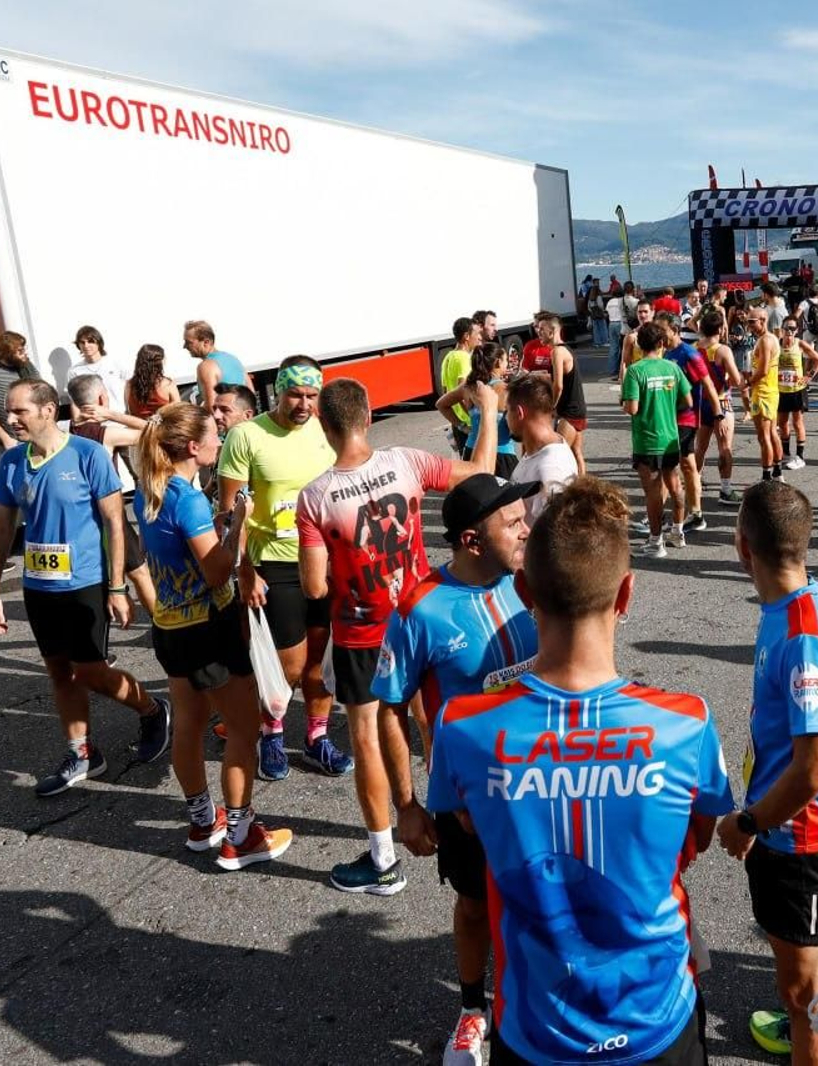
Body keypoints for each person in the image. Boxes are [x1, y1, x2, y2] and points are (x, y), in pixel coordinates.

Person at [426, 476, 733, 1065]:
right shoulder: (686, 724)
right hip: (656, 1025)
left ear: (523, 590)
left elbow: (468, 823)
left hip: (534, 1032)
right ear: (626, 595)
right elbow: (694, 837)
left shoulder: (461, 725)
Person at [373, 471, 539, 1066]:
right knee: (473, 905)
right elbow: (389, 710)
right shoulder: (420, 608)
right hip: (468, 801)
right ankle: (473, 1010)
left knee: (540, 900)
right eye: (513, 523)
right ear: (472, 541)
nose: (526, 529)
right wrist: (408, 806)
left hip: (544, 783)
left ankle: (532, 999)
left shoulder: (531, 579)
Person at [297, 377, 469, 894]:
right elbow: (477, 474)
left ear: (324, 427)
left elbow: (312, 585)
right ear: (368, 417)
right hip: (418, 618)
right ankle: (452, 821)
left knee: (368, 736)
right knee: (426, 717)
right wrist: (483, 413)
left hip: (361, 632)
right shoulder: (407, 462)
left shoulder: (315, 498)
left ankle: (384, 858)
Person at [719, 480, 818, 1064]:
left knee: (809, 999)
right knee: (807, 985)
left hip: (802, 839)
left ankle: (815, 1034)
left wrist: (749, 822)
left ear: (741, 547)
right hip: (792, 831)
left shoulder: (803, 635)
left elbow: (815, 772)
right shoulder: (807, 598)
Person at [0, 379, 172, 797]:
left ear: (48, 410)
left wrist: (118, 586)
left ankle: (154, 709)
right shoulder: (12, 462)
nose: (10, 419)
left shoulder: (87, 455)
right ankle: (83, 752)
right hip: (38, 587)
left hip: (85, 581)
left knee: (90, 672)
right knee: (58, 671)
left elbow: (115, 524)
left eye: (19, 412)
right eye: (8, 412)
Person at [134, 403, 292, 869]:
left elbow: (181, 552)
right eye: (213, 437)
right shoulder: (188, 499)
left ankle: (204, 822)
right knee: (244, 730)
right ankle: (241, 836)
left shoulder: (152, 489)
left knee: (188, 725)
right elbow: (217, 571)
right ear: (192, 447)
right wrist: (238, 526)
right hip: (208, 629)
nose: (220, 442)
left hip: (170, 627)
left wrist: (217, 530)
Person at [217, 356, 348, 781]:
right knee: (286, 666)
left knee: (322, 662)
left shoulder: (326, 429)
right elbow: (227, 512)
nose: (304, 404)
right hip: (273, 561)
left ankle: (316, 738)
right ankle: (271, 733)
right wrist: (245, 570)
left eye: (312, 396)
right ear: (278, 391)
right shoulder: (246, 435)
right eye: (296, 394)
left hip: (326, 560)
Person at [64, 374, 158, 616]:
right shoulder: (104, 433)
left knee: (95, 577)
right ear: (101, 397)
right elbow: (156, 431)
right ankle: (165, 626)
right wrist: (113, 415)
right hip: (109, 513)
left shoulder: (68, 431)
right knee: (139, 572)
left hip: (79, 515)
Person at [620, 320, 691, 558]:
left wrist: (625, 404)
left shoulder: (635, 371)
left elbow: (632, 408)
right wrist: (667, 406)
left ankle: (655, 542)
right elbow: (688, 402)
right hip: (670, 437)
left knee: (653, 492)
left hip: (647, 440)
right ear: (661, 343)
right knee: (675, 485)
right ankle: (678, 532)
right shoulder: (672, 368)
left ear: (640, 344)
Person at [660, 313, 725, 532]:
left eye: (663, 329)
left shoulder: (689, 353)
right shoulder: (665, 353)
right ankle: (691, 514)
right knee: (676, 466)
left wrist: (718, 414)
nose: (659, 333)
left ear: (675, 330)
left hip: (686, 418)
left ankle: (694, 514)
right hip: (668, 418)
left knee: (682, 465)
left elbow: (707, 383)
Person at [503, 372, 578, 524]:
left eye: (507, 410)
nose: (505, 417)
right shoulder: (537, 452)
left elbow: (555, 536)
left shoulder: (551, 468)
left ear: (519, 412)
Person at [521, 311, 589, 475]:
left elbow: (558, 385)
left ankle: (568, 493)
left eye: (542, 329)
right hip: (577, 407)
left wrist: (551, 407)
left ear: (553, 331)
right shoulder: (565, 349)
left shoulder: (557, 352)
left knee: (557, 456)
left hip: (569, 411)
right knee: (576, 453)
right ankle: (582, 492)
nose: (538, 332)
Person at [437, 344, 517, 479]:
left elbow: (441, 404)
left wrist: (463, 426)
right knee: (506, 498)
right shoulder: (507, 390)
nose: (507, 364)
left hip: (472, 451)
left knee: (476, 496)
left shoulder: (468, 387)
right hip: (501, 453)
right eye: (505, 360)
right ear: (498, 362)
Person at [693, 308, 745, 506]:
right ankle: (725, 489)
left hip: (700, 402)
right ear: (721, 329)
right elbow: (735, 379)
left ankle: (694, 482)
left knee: (701, 447)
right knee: (725, 447)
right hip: (722, 402)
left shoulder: (694, 347)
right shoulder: (723, 350)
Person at [775, 319, 818, 472]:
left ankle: (800, 456)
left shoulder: (800, 343)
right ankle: (787, 454)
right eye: (787, 327)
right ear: (782, 328)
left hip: (797, 390)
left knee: (797, 422)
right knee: (782, 423)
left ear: (797, 330)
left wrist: (808, 376)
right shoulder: (776, 343)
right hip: (781, 389)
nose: (790, 331)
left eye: (793, 328)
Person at [745, 306, 784, 482]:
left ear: (763, 320)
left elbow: (763, 370)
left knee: (764, 437)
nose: (749, 325)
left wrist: (747, 382)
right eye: (748, 322)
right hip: (771, 391)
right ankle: (778, 472)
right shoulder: (771, 338)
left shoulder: (765, 341)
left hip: (763, 392)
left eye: (752, 322)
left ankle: (766, 476)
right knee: (772, 434)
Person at [182, 320, 252, 410]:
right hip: (242, 419)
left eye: (189, 342)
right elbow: (251, 393)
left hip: (226, 422)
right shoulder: (233, 359)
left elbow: (211, 406)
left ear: (206, 342)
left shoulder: (206, 366)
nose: (184, 346)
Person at [440, 316, 483, 456]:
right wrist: (472, 418)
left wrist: (458, 423)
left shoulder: (448, 357)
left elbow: (446, 392)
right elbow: (463, 393)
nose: (479, 337)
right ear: (466, 336)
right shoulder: (464, 358)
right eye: (476, 334)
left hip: (457, 422)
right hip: (469, 423)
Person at [66, 326, 128, 410]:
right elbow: (74, 400)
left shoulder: (115, 363)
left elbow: (130, 387)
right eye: (82, 342)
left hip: (119, 417)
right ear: (78, 345)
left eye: (90, 341)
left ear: (98, 343)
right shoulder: (74, 371)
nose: (86, 345)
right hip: (94, 419)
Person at [125, 344, 180, 420]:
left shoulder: (129, 384)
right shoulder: (167, 384)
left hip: (138, 429)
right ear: (159, 362)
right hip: (162, 429)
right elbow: (179, 410)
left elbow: (128, 411)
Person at [619, 297, 655, 371]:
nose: (642, 315)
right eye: (640, 312)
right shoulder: (631, 337)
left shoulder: (660, 333)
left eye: (645, 311)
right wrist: (623, 380)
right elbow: (624, 364)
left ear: (652, 312)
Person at [605, 288, 628, 380]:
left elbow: (607, 312)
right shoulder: (621, 301)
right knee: (623, 347)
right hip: (620, 323)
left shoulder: (610, 302)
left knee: (613, 347)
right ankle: (620, 369)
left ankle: (612, 369)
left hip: (611, 324)